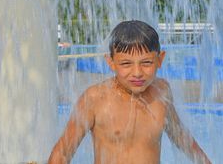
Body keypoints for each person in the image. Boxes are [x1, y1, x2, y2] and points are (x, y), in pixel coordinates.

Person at [48, 20, 212, 164]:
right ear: (111, 62)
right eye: (126, 64)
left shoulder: (162, 91)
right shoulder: (95, 99)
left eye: (146, 63)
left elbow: (180, 136)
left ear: (160, 59)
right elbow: (63, 152)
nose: (137, 72)